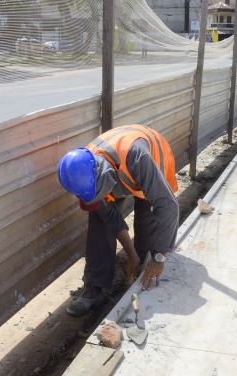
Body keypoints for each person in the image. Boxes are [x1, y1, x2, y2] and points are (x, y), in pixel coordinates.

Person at [57, 125, 179, 316]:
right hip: (120, 170)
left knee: (148, 235)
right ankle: (95, 287)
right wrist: (131, 256)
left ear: (104, 177)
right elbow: (111, 219)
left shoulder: (138, 158)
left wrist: (159, 257)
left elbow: (168, 206)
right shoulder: (85, 175)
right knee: (99, 223)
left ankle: (144, 264)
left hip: (152, 160)